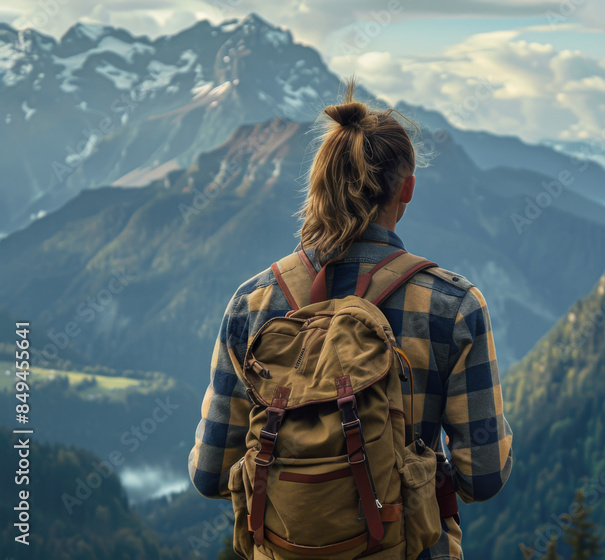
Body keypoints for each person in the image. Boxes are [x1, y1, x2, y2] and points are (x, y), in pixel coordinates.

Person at [188, 79, 513, 559]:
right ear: (407, 188)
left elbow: (210, 474)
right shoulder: (454, 306)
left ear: (319, 185)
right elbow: (482, 476)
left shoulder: (252, 304)